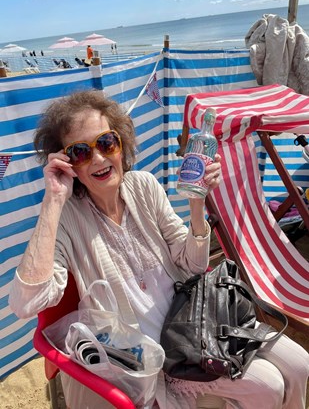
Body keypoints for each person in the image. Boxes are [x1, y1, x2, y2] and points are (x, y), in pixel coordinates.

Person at [9, 90, 308, 409]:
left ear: (121, 143)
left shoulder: (144, 186)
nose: (98, 158)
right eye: (81, 152)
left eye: (106, 143)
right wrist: (52, 200)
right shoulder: (67, 217)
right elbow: (26, 303)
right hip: (165, 354)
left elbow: (192, 266)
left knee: (301, 364)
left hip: (199, 317)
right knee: (268, 385)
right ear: (69, 165)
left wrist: (197, 203)